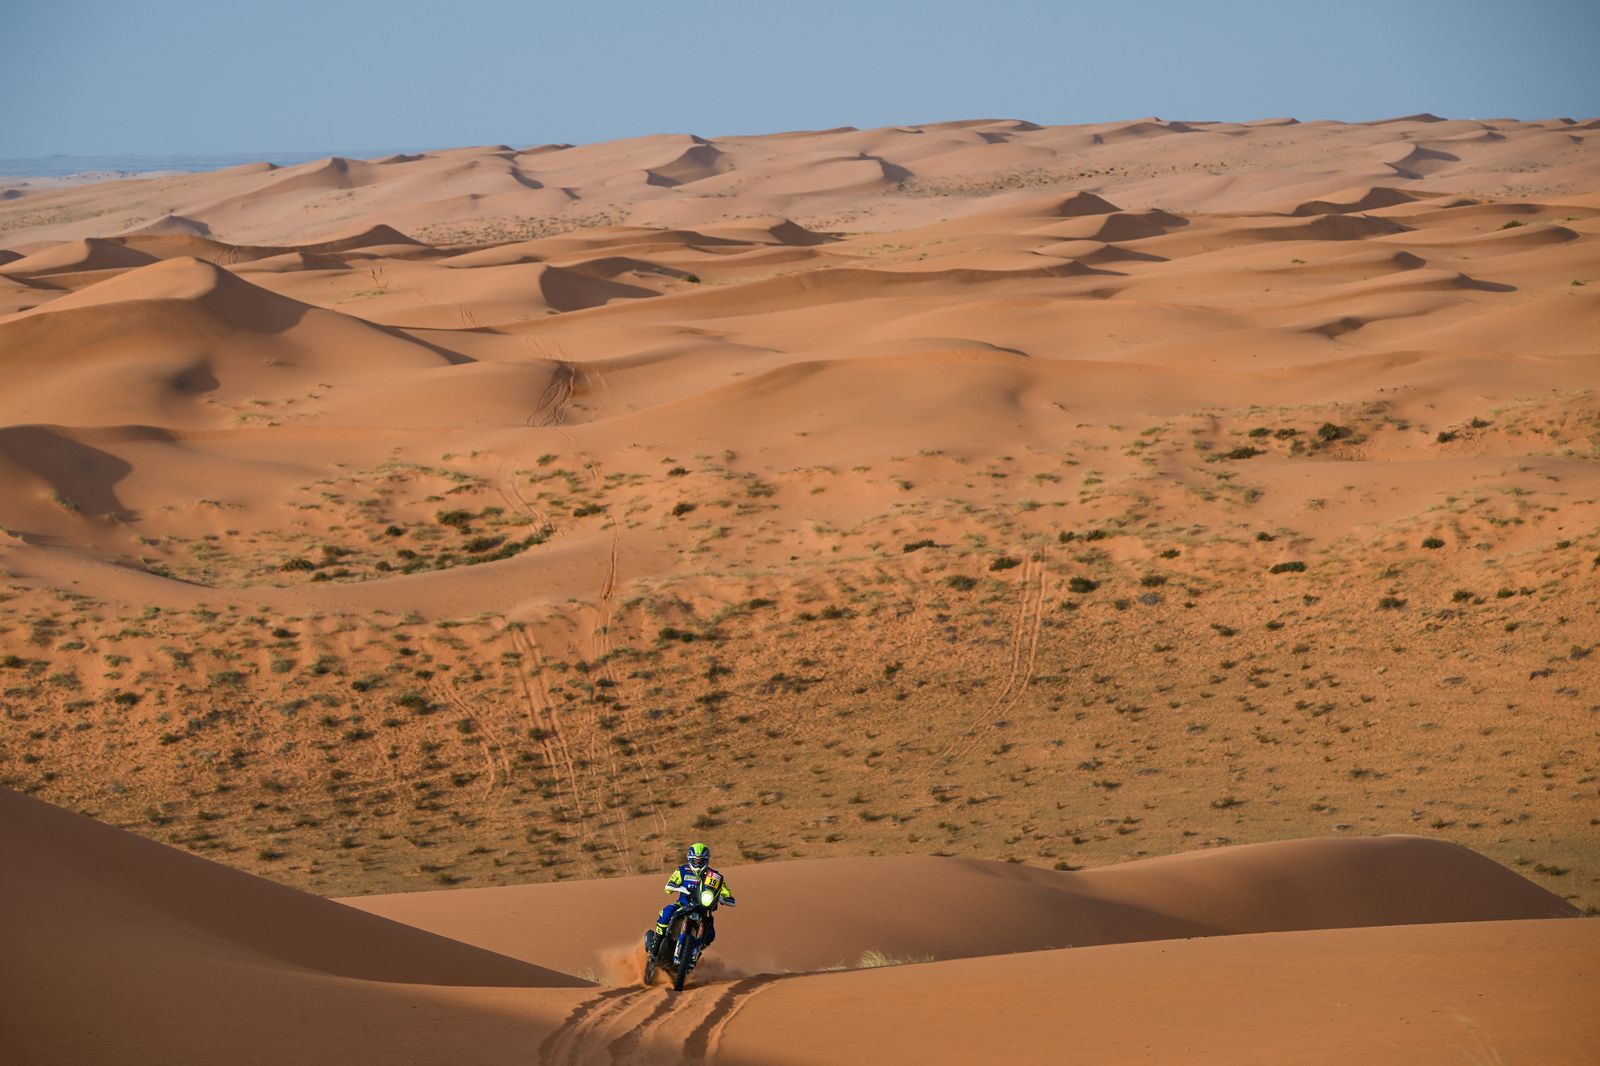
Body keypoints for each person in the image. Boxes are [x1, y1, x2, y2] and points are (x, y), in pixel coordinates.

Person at [644, 842, 735, 956]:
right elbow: (668, 886)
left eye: (701, 860)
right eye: (695, 860)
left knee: (710, 935)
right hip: (683, 904)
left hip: (704, 909)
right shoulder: (682, 870)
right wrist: (677, 887)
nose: (698, 863)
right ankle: (655, 944)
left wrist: (726, 898)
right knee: (666, 913)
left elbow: (725, 891)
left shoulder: (714, 876)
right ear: (690, 859)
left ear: (706, 860)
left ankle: (695, 952)